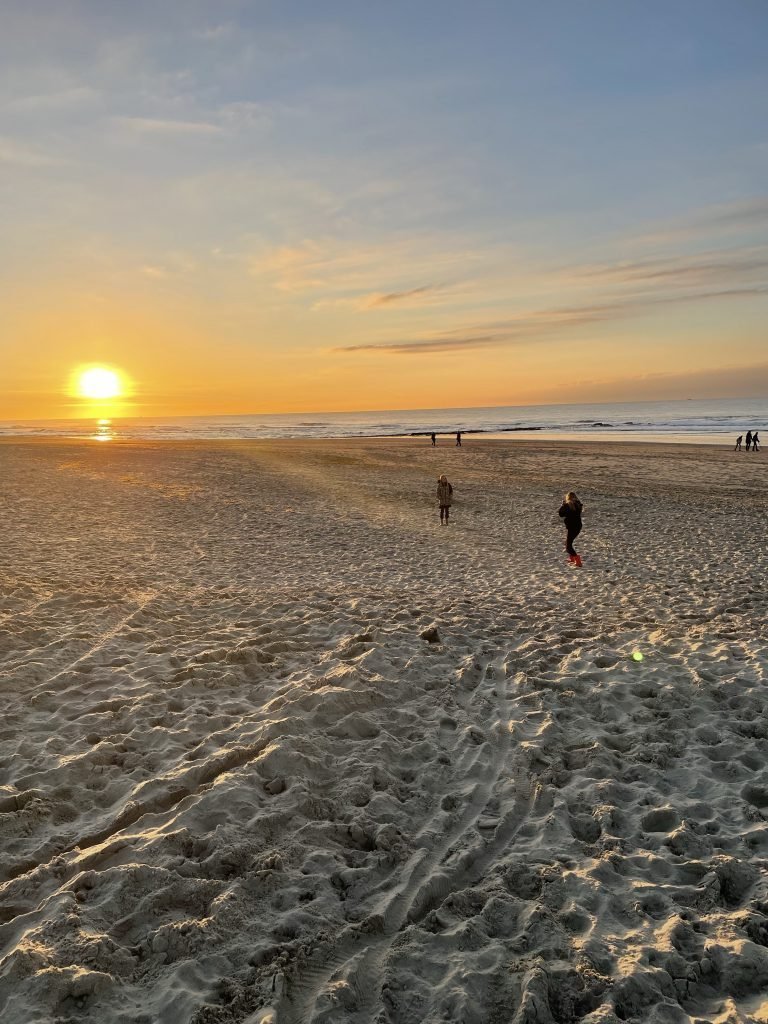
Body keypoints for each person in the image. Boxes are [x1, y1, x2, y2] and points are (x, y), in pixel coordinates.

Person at [558, 491, 583, 567]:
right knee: (568, 543)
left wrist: (562, 505)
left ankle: (578, 561)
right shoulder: (578, 504)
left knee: (568, 546)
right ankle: (572, 558)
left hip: (572, 527)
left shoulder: (568, 505)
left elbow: (561, 514)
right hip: (578, 526)